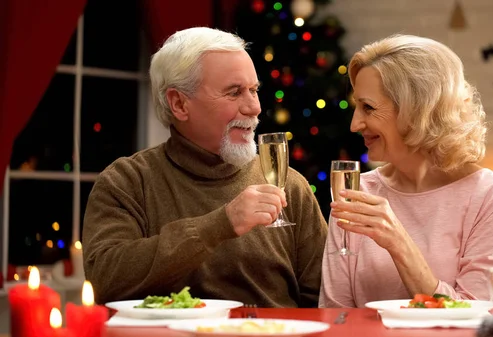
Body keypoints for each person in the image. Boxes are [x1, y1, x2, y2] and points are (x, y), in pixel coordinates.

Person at [82, 27, 328, 307]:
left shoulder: (289, 186)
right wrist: (221, 224)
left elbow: (324, 297)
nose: (254, 107)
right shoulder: (126, 181)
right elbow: (104, 280)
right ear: (179, 104)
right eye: (234, 92)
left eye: (254, 90)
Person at [319, 34, 493, 308]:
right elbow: (336, 315)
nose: (355, 124)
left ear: (417, 110)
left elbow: (478, 319)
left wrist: (398, 243)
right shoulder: (358, 193)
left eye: (368, 107)